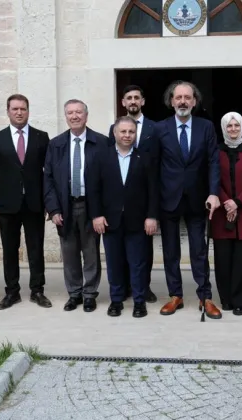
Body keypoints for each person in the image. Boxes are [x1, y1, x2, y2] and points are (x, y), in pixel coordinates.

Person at [155, 80, 222, 319]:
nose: (183, 101)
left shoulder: (206, 127)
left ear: (194, 101)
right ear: (171, 101)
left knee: (199, 250)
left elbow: (214, 161)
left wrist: (214, 192)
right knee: (171, 251)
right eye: (178, 97)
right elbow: (154, 166)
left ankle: (205, 297)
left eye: (187, 97)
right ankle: (176, 296)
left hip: (198, 199)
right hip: (168, 198)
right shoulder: (160, 128)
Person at [0, 94, 52, 310]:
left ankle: (37, 290)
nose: (19, 112)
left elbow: (48, 174)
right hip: (7, 205)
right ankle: (12, 291)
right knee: (9, 249)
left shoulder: (42, 137)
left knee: (36, 248)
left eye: (23, 108)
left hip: (34, 204)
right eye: (14, 109)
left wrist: (49, 203)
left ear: (28, 111)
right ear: (8, 111)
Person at [90, 116, 159, 318]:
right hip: (110, 222)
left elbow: (153, 190)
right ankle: (116, 301)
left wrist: (152, 216)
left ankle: (139, 302)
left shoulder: (145, 158)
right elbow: (94, 190)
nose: (127, 135)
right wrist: (97, 215)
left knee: (138, 264)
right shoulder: (101, 157)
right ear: (115, 133)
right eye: (123, 131)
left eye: (131, 132)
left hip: (138, 222)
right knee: (114, 263)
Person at [44, 99, 108, 312]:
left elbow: (106, 180)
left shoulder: (101, 142)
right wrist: (53, 210)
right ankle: (74, 294)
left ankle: (90, 294)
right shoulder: (56, 144)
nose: (74, 116)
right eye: (70, 113)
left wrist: (100, 212)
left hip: (90, 207)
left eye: (78, 112)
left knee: (91, 253)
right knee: (69, 253)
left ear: (86, 115)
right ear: (66, 116)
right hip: (65, 206)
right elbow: (49, 179)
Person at [107, 85, 159, 303]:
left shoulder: (155, 128)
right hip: (119, 205)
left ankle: (143, 287)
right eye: (129, 98)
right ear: (123, 102)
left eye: (137, 97)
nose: (133, 101)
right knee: (119, 253)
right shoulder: (114, 128)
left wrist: (152, 211)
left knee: (142, 251)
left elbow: (157, 166)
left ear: (143, 101)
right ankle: (125, 288)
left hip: (142, 200)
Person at [210, 112, 242, 316]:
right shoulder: (216, 151)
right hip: (223, 212)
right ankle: (227, 299)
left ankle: (241, 300)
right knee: (223, 258)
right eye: (229, 126)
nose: (233, 129)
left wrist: (237, 202)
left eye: (236, 126)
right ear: (224, 128)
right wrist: (226, 202)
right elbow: (213, 178)